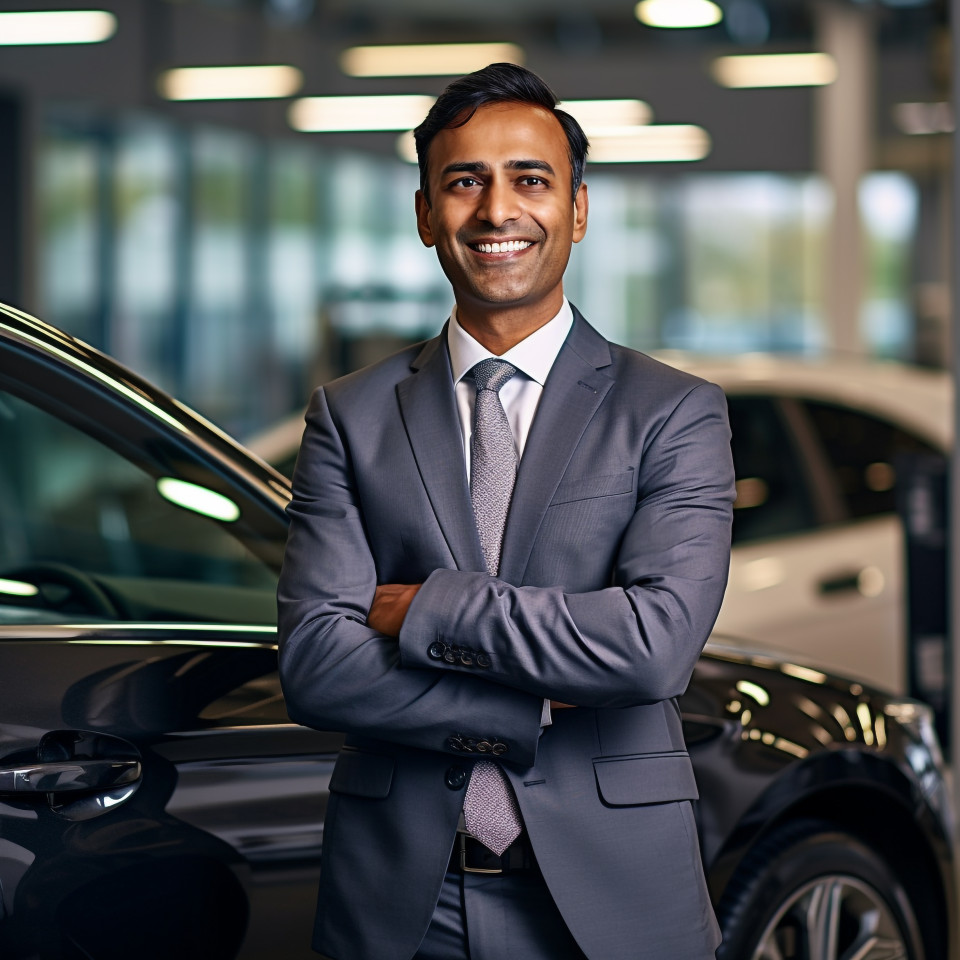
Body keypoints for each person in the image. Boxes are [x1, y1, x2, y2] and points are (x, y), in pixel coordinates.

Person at [277, 62, 735, 960]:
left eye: (530, 179)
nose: (496, 212)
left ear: (578, 209)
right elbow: (319, 667)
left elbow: (653, 645)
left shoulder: (672, 410)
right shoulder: (349, 414)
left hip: (613, 897)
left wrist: (429, 608)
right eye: (464, 182)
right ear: (424, 214)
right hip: (400, 897)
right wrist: (532, 702)